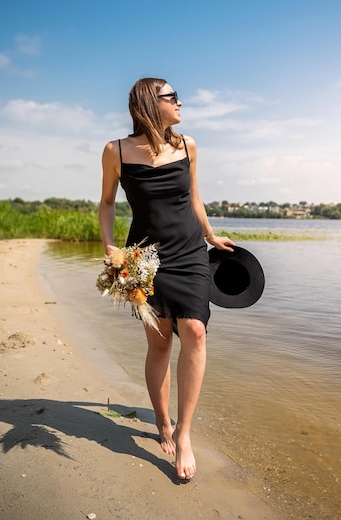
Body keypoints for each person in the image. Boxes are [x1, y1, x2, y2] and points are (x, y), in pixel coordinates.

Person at [99, 77, 235, 480]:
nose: (180, 103)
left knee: (194, 330)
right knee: (159, 344)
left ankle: (185, 432)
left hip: (190, 252)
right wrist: (112, 249)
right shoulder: (116, 151)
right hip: (147, 258)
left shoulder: (187, 145)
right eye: (172, 97)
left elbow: (194, 197)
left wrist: (211, 236)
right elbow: (107, 202)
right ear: (149, 102)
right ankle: (162, 421)